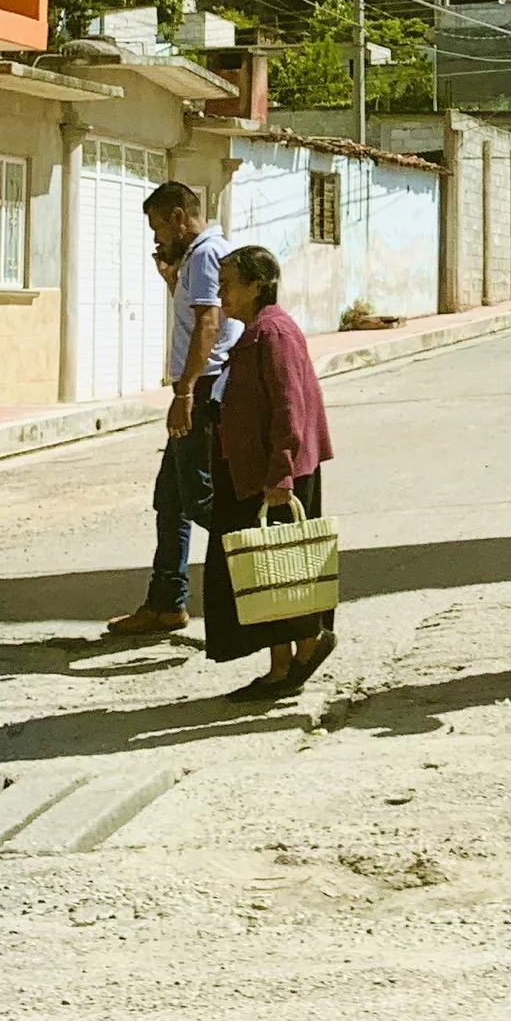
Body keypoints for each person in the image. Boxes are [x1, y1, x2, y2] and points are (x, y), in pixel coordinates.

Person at [103, 179, 242, 641]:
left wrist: (183, 394)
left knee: (202, 500)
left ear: (180, 217)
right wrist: (170, 283)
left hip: (201, 391)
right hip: (197, 387)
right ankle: (166, 603)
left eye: (159, 227)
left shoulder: (204, 254)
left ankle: (249, 580)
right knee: (171, 500)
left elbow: (208, 323)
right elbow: (193, 318)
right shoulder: (200, 256)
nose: (157, 238)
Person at [199, 244, 336, 701]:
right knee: (264, 573)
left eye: (229, 284)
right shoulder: (252, 330)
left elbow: (289, 407)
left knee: (283, 568)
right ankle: (280, 666)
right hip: (251, 472)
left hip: (275, 474)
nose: (221, 294)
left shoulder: (273, 333)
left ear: (256, 286)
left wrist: (280, 473)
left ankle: (309, 643)